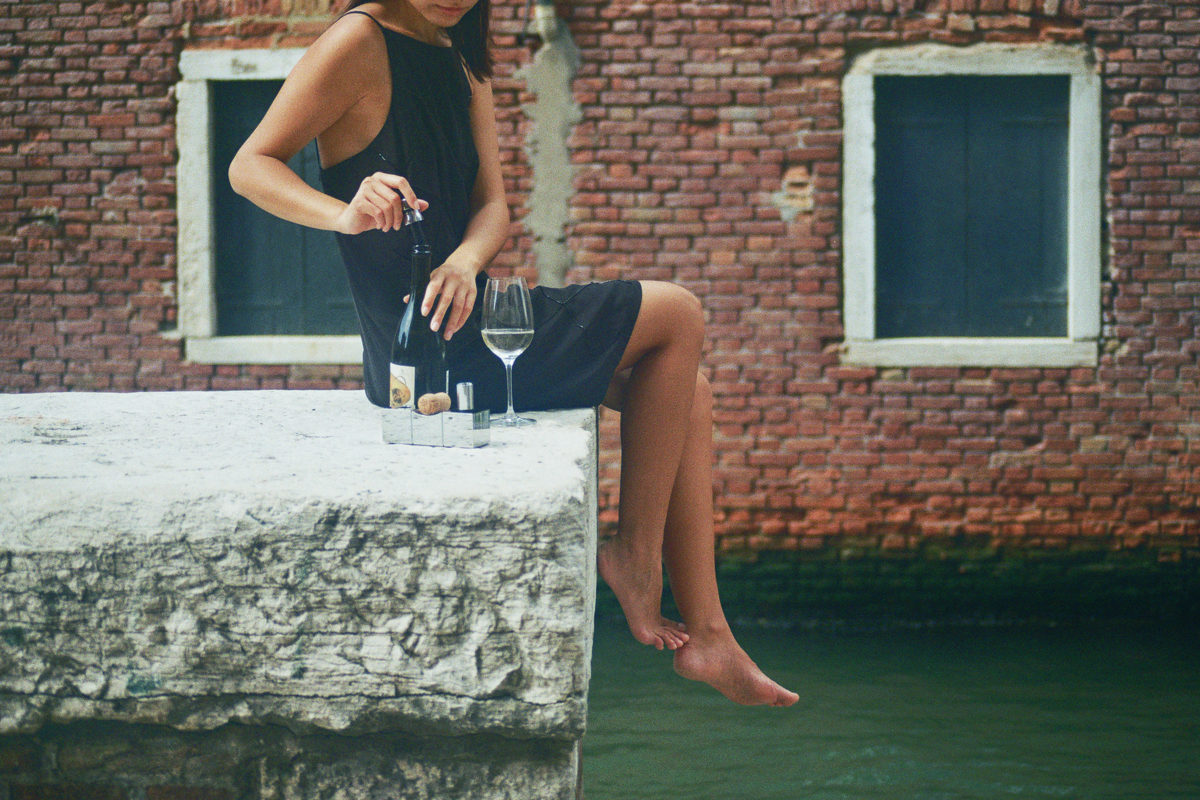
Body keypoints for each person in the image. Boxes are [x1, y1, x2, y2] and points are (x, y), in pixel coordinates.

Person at [227, 0, 798, 707]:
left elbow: (493, 205)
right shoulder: (358, 41)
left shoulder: (462, 61)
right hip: (423, 352)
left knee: (690, 392)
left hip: (469, 308)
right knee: (677, 311)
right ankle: (633, 563)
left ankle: (711, 634)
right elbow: (249, 165)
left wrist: (466, 261)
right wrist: (341, 212)